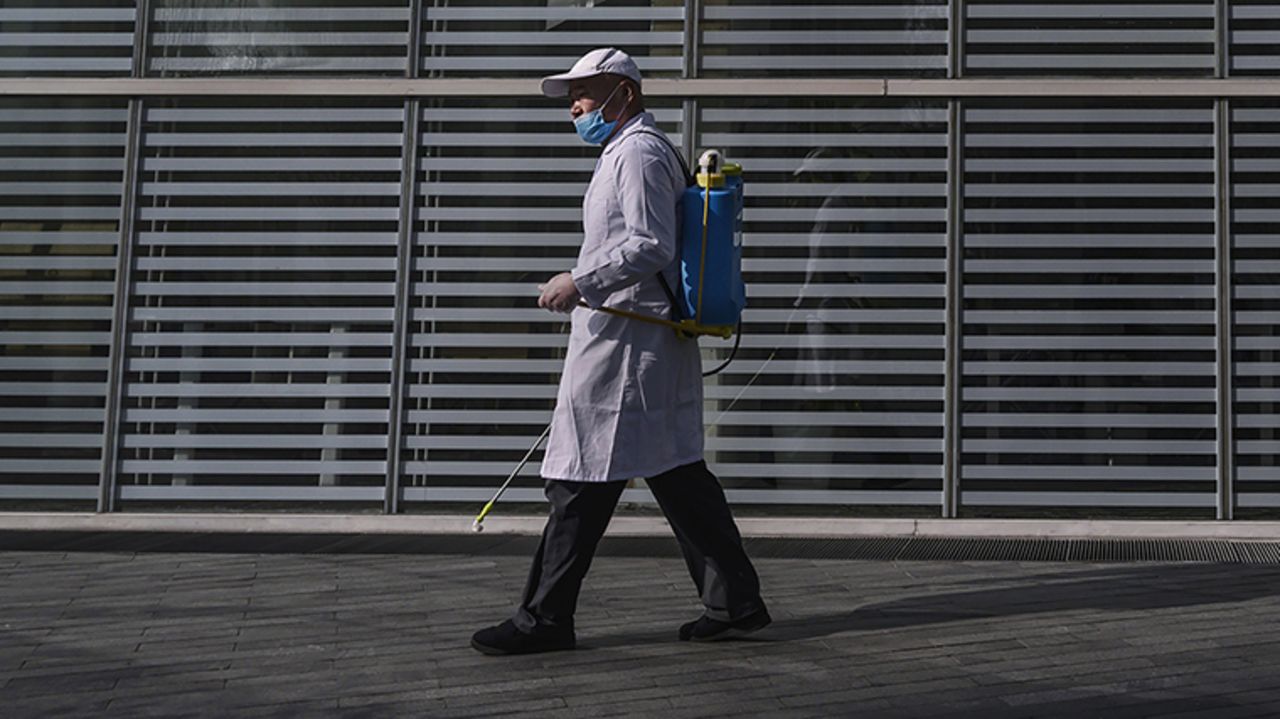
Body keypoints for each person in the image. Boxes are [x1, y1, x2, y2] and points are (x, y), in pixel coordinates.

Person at [470, 47, 770, 656]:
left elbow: (650, 243)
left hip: (629, 347)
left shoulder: (636, 153)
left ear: (624, 94)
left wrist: (578, 282)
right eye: (572, 96)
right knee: (677, 474)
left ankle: (544, 619)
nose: (575, 106)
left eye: (584, 92)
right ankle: (735, 601)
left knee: (578, 479)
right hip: (639, 343)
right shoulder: (632, 150)